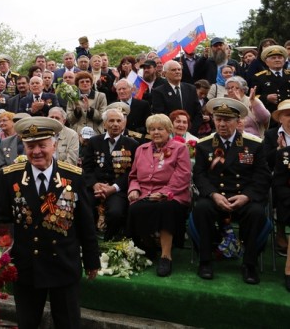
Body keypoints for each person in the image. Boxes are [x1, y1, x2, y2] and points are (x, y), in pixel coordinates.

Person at [0, 117, 99, 329]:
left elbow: (85, 222)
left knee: (68, 322)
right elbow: (0, 219)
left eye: (42, 145)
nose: (37, 151)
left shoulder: (73, 176)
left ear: (54, 145)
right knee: (27, 322)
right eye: (31, 146)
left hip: (63, 264)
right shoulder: (10, 177)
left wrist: (92, 259)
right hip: (26, 265)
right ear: (24, 147)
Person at [191, 98, 271, 284]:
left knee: (257, 212)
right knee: (202, 209)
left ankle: (249, 264)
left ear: (237, 121)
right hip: (215, 197)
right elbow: (200, 176)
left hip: (243, 196)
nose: (222, 124)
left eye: (227, 120)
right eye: (218, 119)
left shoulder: (254, 144)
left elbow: (262, 176)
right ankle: (205, 261)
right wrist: (213, 194)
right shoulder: (204, 144)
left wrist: (247, 196)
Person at [126, 114, 192, 277]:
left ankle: (165, 256)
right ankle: (149, 248)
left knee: (165, 209)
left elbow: (183, 176)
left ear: (169, 130)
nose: (156, 132)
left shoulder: (180, 148)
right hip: (145, 194)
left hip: (172, 195)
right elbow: (133, 176)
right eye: (152, 129)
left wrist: (164, 193)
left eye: (160, 129)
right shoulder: (142, 149)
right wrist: (133, 189)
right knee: (135, 210)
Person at [82, 108, 139, 240]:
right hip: (95, 188)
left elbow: (132, 172)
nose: (115, 124)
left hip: (118, 189)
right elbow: (87, 168)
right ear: (104, 124)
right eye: (111, 121)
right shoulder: (94, 141)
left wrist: (114, 188)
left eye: (119, 121)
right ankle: (89, 239)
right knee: (84, 208)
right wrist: (95, 184)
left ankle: (109, 239)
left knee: (116, 212)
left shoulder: (133, 144)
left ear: (124, 124)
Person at [264, 100, 290, 291]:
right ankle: (280, 231)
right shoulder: (271, 134)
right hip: (277, 178)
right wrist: (279, 151)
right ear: (280, 117)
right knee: (281, 192)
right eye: (287, 114)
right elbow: (265, 160)